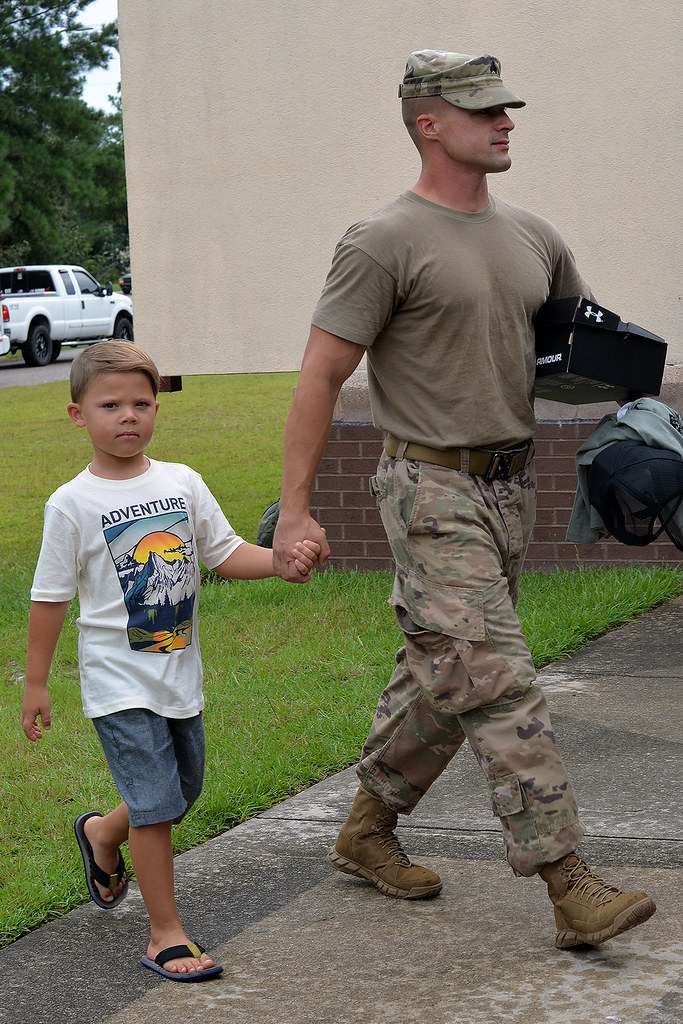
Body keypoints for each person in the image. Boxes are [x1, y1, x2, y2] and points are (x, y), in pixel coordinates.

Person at [272, 50, 657, 948]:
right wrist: (295, 509)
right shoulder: (382, 239)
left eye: (506, 108)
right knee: (495, 679)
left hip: (509, 487)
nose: (505, 121)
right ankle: (568, 883)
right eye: (483, 110)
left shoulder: (533, 234)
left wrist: (632, 425)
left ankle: (366, 829)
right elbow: (321, 376)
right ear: (427, 123)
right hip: (427, 486)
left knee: (446, 675)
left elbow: (580, 354)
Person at [21, 340, 319, 981]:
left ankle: (103, 835)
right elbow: (49, 599)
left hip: (177, 672)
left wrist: (282, 564)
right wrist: (37, 682)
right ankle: (165, 934)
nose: (127, 416)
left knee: (180, 791)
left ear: (156, 408)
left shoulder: (181, 481)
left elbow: (225, 552)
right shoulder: (71, 504)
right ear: (78, 415)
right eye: (110, 405)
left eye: (140, 403)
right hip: (117, 678)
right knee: (156, 806)